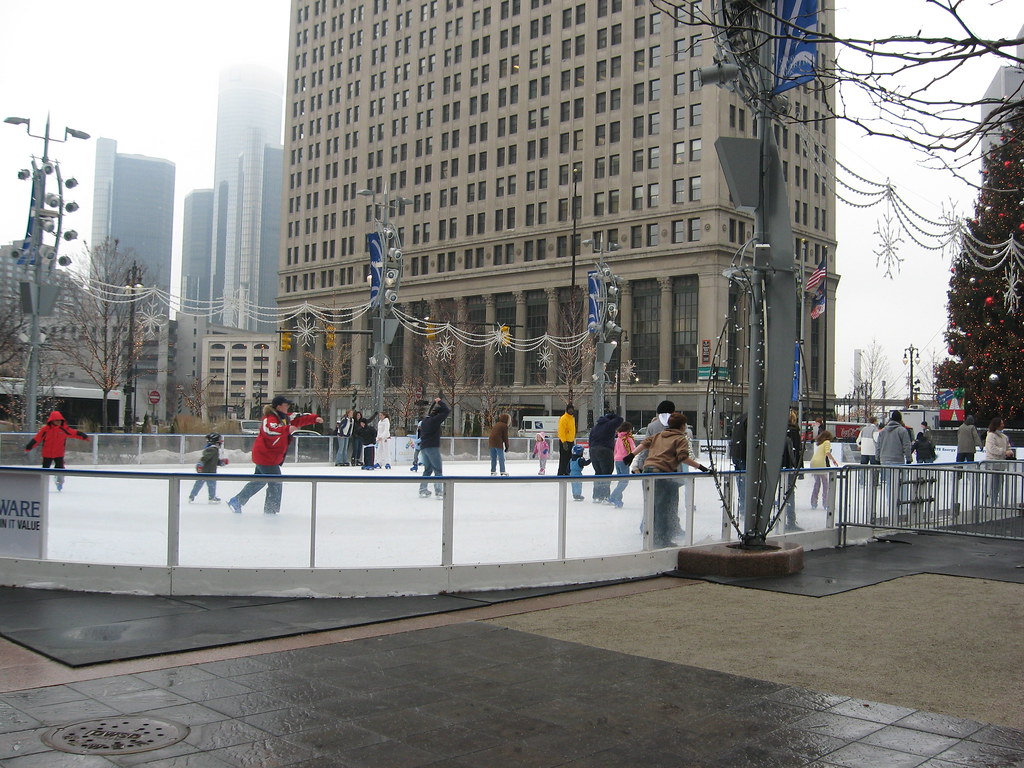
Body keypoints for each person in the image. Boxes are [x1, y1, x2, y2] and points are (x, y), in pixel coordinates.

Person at [228, 396, 323, 515]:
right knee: (276, 482)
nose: (288, 406)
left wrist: (315, 418)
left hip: (268, 456)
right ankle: (270, 511)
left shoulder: (285, 418)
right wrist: (287, 429)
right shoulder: (270, 419)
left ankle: (237, 501)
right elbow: (270, 430)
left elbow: (300, 417)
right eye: (286, 404)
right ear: (278, 406)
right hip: (266, 456)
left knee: (259, 481)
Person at [632, 412, 711, 548]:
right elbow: (683, 458)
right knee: (664, 508)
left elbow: (644, 445)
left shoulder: (659, 435)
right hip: (663, 473)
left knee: (654, 506)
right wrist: (703, 468)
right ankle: (660, 541)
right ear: (682, 426)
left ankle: (652, 537)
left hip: (649, 470)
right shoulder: (680, 438)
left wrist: (632, 458)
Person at [24, 410, 90, 492]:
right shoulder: (45, 430)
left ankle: (59, 482)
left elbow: (74, 433)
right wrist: (29, 447)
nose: (58, 422)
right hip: (47, 454)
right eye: (56, 420)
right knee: (45, 470)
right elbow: (37, 439)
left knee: (60, 469)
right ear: (52, 421)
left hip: (59, 453)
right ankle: (42, 484)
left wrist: (84, 436)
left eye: (59, 420)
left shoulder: (64, 429)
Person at [588, 409, 623, 502]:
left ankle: (596, 496)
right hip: (605, 450)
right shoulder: (609, 425)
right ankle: (604, 495)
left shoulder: (595, 427)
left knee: (598, 473)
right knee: (606, 473)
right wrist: (613, 416)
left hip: (593, 451)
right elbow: (620, 419)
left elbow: (590, 440)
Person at [418, 398, 450, 498]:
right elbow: (446, 411)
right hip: (432, 447)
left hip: (424, 447)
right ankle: (439, 491)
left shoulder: (424, 421)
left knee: (428, 469)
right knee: (438, 469)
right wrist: (439, 401)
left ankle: (423, 489)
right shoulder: (435, 420)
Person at [189, 432, 229, 503]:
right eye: (219, 441)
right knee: (205, 485)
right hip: (207, 472)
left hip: (209, 471)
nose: (220, 444)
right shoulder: (212, 450)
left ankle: (195, 496)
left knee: (205, 485)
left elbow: (215, 461)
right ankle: (194, 496)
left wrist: (221, 462)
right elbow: (205, 458)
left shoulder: (214, 450)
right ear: (216, 442)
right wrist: (200, 464)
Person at [781, 410, 803, 530]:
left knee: (780, 493)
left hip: (779, 467)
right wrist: (799, 470)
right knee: (789, 494)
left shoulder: (780, 431)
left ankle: (779, 519)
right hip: (789, 467)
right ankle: (790, 521)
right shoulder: (794, 432)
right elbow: (798, 452)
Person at [984, 417, 1014, 504]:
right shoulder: (990, 436)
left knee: (999, 483)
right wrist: (1004, 452)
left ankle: (995, 500)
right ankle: (990, 501)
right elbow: (991, 448)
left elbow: (1008, 447)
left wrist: (1010, 452)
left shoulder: (1004, 437)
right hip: (992, 464)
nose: (1003, 425)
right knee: (992, 483)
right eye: (1001, 424)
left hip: (1001, 464)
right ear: (996, 425)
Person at [608, 421, 636, 508]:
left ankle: (618, 500)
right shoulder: (628, 438)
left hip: (617, 460)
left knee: (621, 481)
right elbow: (633, 449)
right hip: (624, 460)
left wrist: (615, 458)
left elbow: (615, 449)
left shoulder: (619, 437)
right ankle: (613, 497)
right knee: (624, 481)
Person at [809, 430, 837, 510]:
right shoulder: (827, 442)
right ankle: (825, 503)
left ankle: (813, 502)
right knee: (825, 484)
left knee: (817, 483)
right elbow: (827, 452)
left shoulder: (821, 443)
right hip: (820, 463)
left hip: (813, 462)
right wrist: (834, 460)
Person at [729, 412, 748, 513]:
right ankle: (745, 509)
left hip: (737, 453)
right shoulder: (753, 419)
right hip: (745, 454)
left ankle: (743, 508)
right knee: (746, 482)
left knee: (741, 482)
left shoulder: (740, 418)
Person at [557, 404, 577, 476]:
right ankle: (561, 473)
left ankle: (567, 472)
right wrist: (564, 441)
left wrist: (572, 440)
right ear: (567, 410)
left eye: (572, 409)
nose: (571, 411)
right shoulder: (563, 418)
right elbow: (561, 431)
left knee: (569, 458)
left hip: (571, 441)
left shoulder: (572, 418)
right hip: (564, 442)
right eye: (569, 409)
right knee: (563, 459)